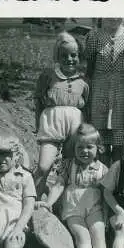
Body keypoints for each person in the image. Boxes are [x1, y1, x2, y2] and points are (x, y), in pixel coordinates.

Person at [35, 124, 108, 248]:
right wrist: (48, 203)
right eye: (80, 147)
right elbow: (59, 185)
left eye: (89, 147)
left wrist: (107, 216)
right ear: (73, 147)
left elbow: (106, 195)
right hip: (73, 210)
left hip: (95, 208)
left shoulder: (103, 170)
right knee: (82, 237)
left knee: (98, 234)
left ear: (99, 148)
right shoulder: (68, 165)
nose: (84, 151)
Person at [33, 31, 89, 198]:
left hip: (74, 127)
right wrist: (38, 124)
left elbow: (85, 106)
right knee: (44, 166)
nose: (69, 59)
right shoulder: (48, 76)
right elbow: (39, 101)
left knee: (69, 166)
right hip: (51, 125)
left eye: (74, 55)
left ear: (79, 57)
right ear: (58, 56)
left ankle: (61, 199)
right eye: (64, 55)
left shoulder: (84, 81)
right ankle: (33, 196)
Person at [84, 18, 124, 166]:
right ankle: (101, 182)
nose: (113, 17)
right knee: (100, 143)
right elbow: (89, 69)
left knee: (120, 142)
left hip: (122, 94)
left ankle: (117, 181)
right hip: (99, 93)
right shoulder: (94, 36)